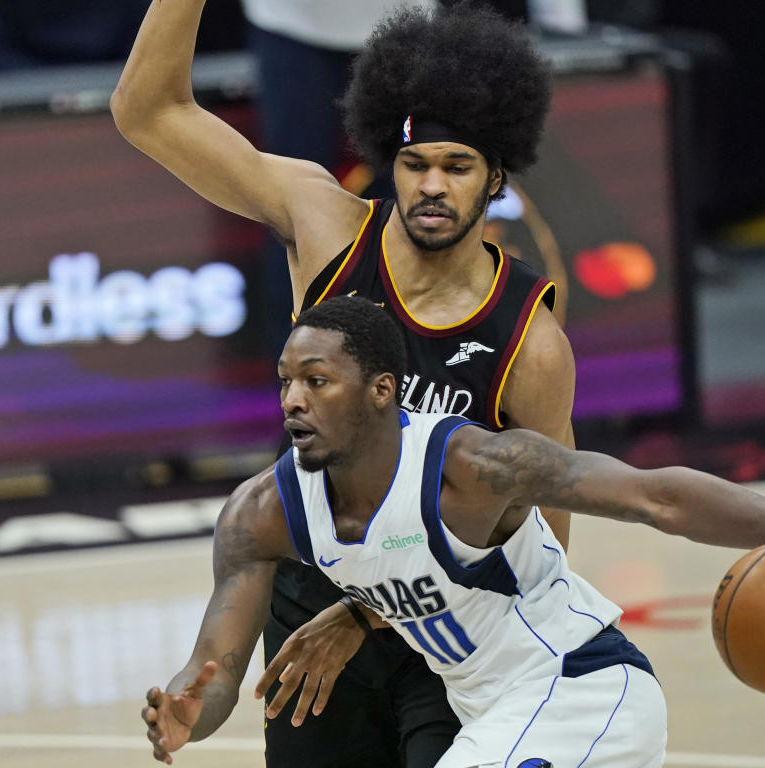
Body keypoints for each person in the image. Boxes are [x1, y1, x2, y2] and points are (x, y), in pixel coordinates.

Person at [141, 296, 765, 767]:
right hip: (494, 716)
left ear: (379, 391)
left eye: (317, 381)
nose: (292, 402)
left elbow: (653, 497)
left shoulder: (472, 467)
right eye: (284, 381)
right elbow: (215, 669)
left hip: (580, 692)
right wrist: (184, 714)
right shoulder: (260, 513)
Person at [113, 3, 574, 765]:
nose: (430, 185)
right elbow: (148, 110)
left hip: (450, 629)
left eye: (455, 167)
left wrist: (375, 618)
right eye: (414, 162)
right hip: (309, 598)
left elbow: (543, 551)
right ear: (386, 158)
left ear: (496, 176)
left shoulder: (531, 343)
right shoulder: (325, 226)